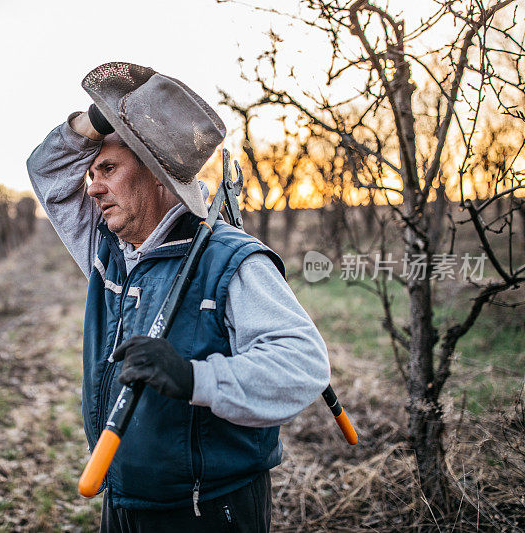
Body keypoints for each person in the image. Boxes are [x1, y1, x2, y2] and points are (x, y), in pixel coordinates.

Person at [26, 62, 330, 532]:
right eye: (91, 172)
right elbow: (45, 171)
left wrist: (194, 379)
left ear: (156, 176)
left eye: (106, 169)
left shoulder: (232, 260)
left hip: (207, 509)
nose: (93, 188)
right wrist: (99, 121)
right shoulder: (108, 249)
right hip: (122, 494)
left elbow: (303, 365)